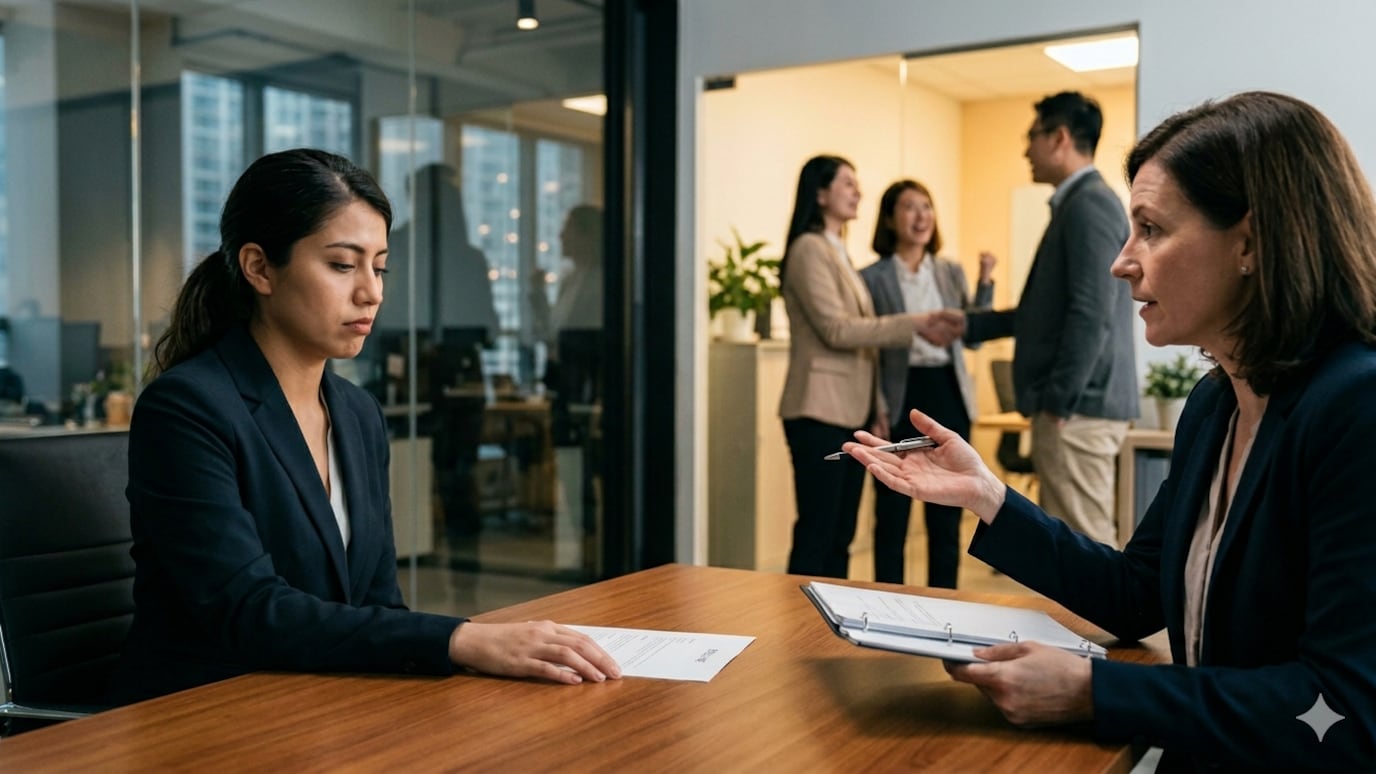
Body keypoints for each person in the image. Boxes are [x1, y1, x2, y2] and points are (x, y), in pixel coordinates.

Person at [843, 92, 1376, 770]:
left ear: (1250, 242)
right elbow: (1134, 594)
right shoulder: (1214, 406)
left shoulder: (1356, 407)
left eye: (1151, 229)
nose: (1123, 261)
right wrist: (988, 496)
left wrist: (1096, 692)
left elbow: (1345, 712)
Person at [111, 149, 619, 705]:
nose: (371, 292)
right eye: (342, 264)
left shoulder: (357, 414)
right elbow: (249, 611)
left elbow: (377, 604)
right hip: (206, 715)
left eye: (379, 266)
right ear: (259, 267)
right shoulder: (187, 408)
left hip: (323, 704)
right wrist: (460, 638)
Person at [777, 154, 963, 579]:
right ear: (820, 194)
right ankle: (795, 629)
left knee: (840, 535)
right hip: (818, 409)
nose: (857, 192)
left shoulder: (837, 250)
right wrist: (913, 323)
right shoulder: (809, 248)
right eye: (846, 183)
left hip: (848, 411)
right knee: (818, 533)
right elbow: (837, 330)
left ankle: (826, 627)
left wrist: (876, 404)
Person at [965, 91, 1138, 546]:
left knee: (1085, 546)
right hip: (1077, 405)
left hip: (1078, 409)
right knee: (1076, 545)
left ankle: (1095, 625)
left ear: (1060, 138)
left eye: (1033, 135)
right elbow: (1049, 313)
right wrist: (970, 326)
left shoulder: (1090, 204)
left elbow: (1091, 311)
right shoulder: (1077, 204)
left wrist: (1059, 400)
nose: (1026, 149)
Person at [859, 180, 993, 587]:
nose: (921, 217)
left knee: (946, 513)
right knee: (892, 510)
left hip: (947, 393)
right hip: (900, 396)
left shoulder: (949, 271)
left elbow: (973, 332)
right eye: (910, 208)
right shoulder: (872, 277)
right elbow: (870, 349)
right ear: (889, 218)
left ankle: (943, 602)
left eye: (927, 207)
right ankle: (889, 598)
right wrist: (878, 407)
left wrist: (986, 281)